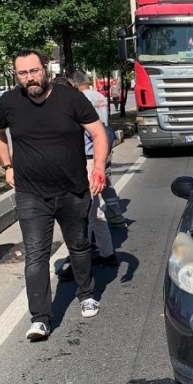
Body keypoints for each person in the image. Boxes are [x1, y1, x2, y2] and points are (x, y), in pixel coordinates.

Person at [0, 51, 109, 341]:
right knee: (35, 255)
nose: (30, 77)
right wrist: (7, 165)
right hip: (31, 193)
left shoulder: (70, 99)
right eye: (22, 73)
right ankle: (40, 318)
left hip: (72, 189)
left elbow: (98, 134)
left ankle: (86, 294)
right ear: (16, 76)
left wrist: (99, 168)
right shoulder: (8, 103)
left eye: (34, 71)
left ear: (45, 69)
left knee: (79, 245)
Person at [66, 69, 119, 271]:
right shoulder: (100, 97)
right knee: (96, 205)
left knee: (89, 210)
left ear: (73, 85)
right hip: (101, 151)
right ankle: (103, 251)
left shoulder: (79, 100)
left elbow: (88, 130)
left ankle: (83, 256)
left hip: (88, 156)